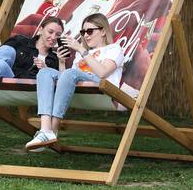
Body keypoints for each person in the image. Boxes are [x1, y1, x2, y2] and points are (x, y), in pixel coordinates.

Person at [25, 13, 124, 150]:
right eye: (83, 32)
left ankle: (52, 130)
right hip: (80, 88)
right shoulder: (80, 55)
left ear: (102, 31)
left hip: (102, 88)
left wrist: (82, 50)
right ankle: (45, 129)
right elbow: (64, 80)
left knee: (71, 73)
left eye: (90, 31)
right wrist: (61, 61)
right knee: (44, 72)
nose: (86, 35)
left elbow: (103, 73)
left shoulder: (114, 49)